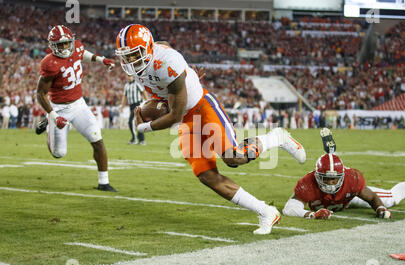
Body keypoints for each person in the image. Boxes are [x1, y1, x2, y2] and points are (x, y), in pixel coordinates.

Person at [115, 24, 307, 235]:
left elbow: (174, 115)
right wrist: (186, 76)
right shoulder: (153, 55)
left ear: (148, 48)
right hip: (187, 118)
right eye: (127, 56)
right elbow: (165, 51)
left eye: (136, 54)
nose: (132, 61)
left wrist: (144, 127)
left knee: (233, 158)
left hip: (201, 108)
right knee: (206, 175)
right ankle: (265, 211)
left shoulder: (167, 62)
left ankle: (276, 137)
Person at [282, 129, 405, 220]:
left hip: (349, 197)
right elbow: (289, 208)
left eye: (335, 178)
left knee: (391, 198)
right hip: (339, 201)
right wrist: (311, 214)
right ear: (317, 176)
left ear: (342, 175)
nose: (331, 183)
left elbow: (371, 197)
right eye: (326, 178)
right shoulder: (308, 182)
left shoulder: (351, 179)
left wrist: (380, 208)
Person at [35, 25, 117, 192]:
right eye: (60, 44)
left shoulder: (77, 47)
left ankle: (104, 182)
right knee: (59, 153)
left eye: (67, 43)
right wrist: (53, 115)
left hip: (79, 105)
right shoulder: (49, 63)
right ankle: (48, 122)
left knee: (97, 139)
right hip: (59, 109)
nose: (65, 47)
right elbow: (40, 94)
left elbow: (82, 54)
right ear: (52, 45)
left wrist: (101, 60)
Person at [121, 75, 148, 145]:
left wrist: (147, 101)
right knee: (138, 123)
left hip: (137, 105)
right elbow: (125, 96)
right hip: (131, 106)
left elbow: (143, 92)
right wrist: (122, 106)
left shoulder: (137, 84)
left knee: (131, 122)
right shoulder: (126, 85)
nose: (129, 77)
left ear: (133, 77)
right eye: (128, 76)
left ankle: (135, 139)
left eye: (130, 76)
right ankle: (141, 140)